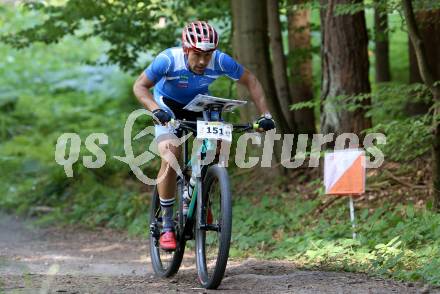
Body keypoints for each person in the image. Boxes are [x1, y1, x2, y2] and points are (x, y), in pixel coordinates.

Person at [133, 21, 275, 251]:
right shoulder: (168, 60)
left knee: (219, 144)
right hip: (167, 108)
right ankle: (167, 224)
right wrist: (154, 109)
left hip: (199, 106)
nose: (202, 62)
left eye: (207, 55)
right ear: (186, 49)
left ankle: (195, 190)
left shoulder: (220, 60)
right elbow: (140, 86)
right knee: (171, 154)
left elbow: (252, 81)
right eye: (197, 55)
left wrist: (266, 114)